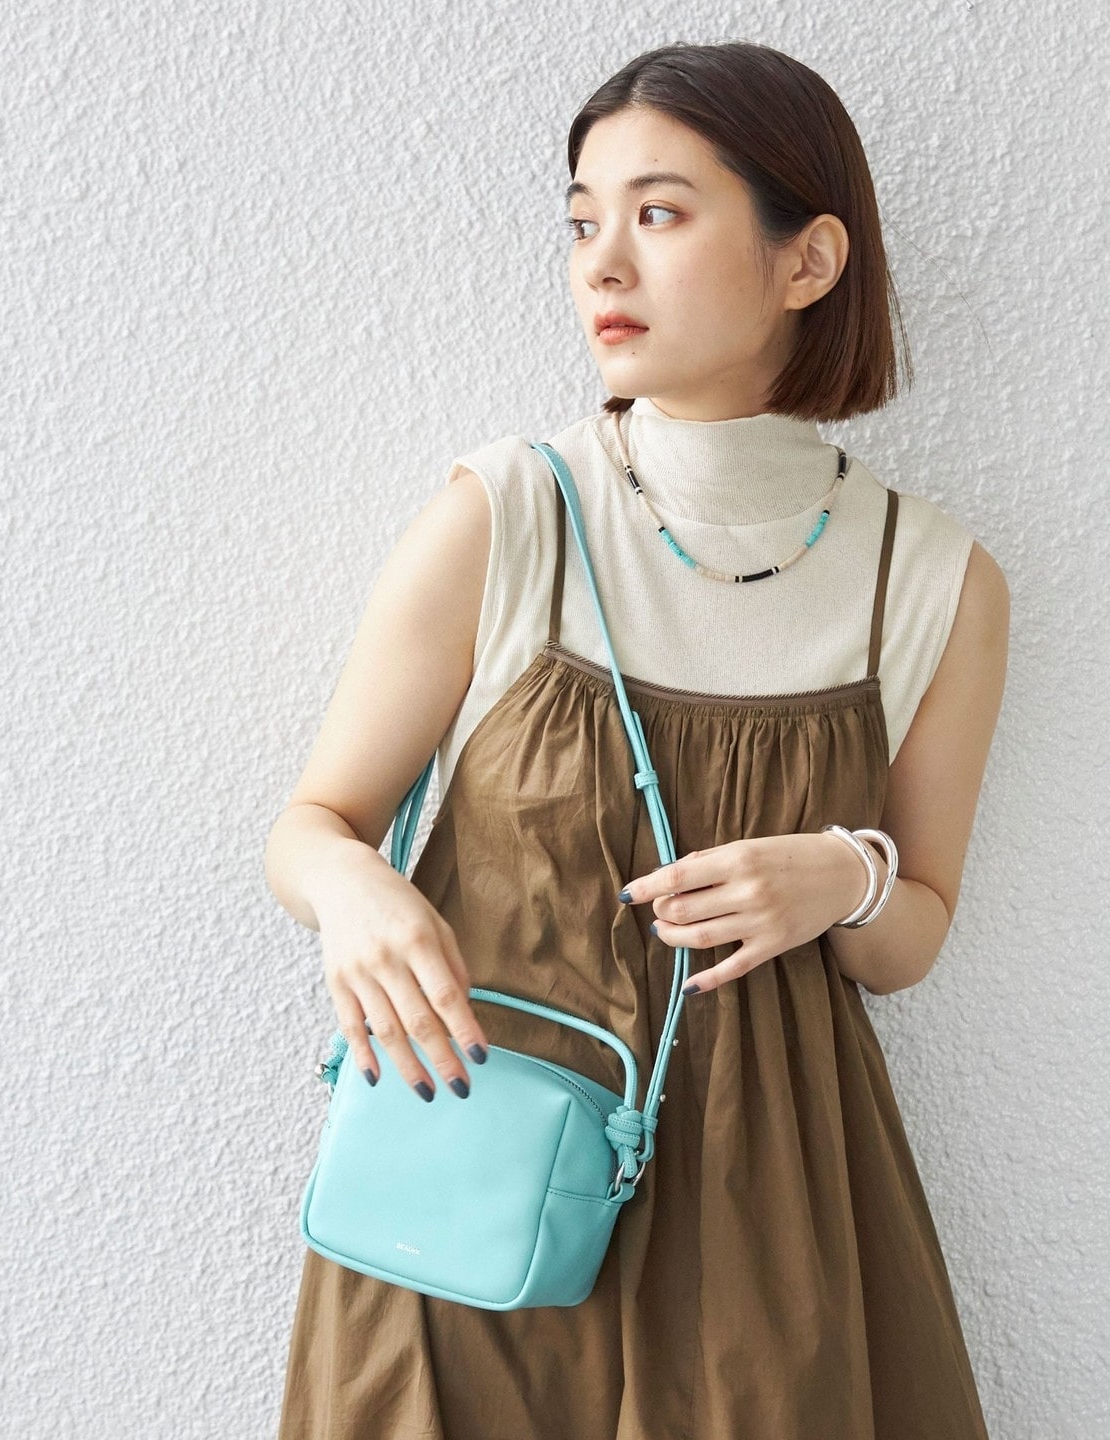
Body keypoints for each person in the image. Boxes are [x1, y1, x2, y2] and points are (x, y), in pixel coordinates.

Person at [265, 39, 1008, 1440]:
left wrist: (845, 878)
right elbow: (313, 826)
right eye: (582, 221)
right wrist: (356, 895)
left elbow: (912, 933)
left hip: (766, 1215)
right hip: (476, 1185)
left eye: (659, 213)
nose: (602, 264)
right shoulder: (509, 515)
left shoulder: (933, 581)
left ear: (809, 259)